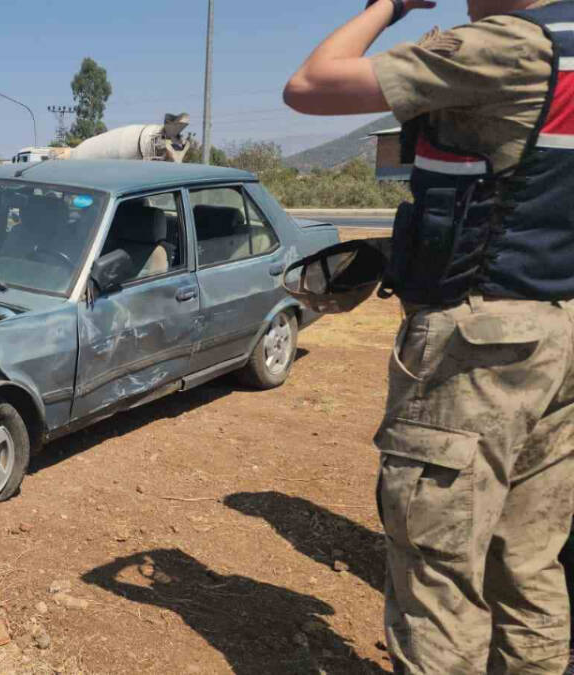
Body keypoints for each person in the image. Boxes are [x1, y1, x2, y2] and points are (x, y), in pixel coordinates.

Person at [284, 0, 574, 672]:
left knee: (438, 574)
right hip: (556, 335)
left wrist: (386, 5)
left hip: (476, 352)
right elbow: (519, 196)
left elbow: (310, 84)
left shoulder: (503, 46)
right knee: (528, 564)